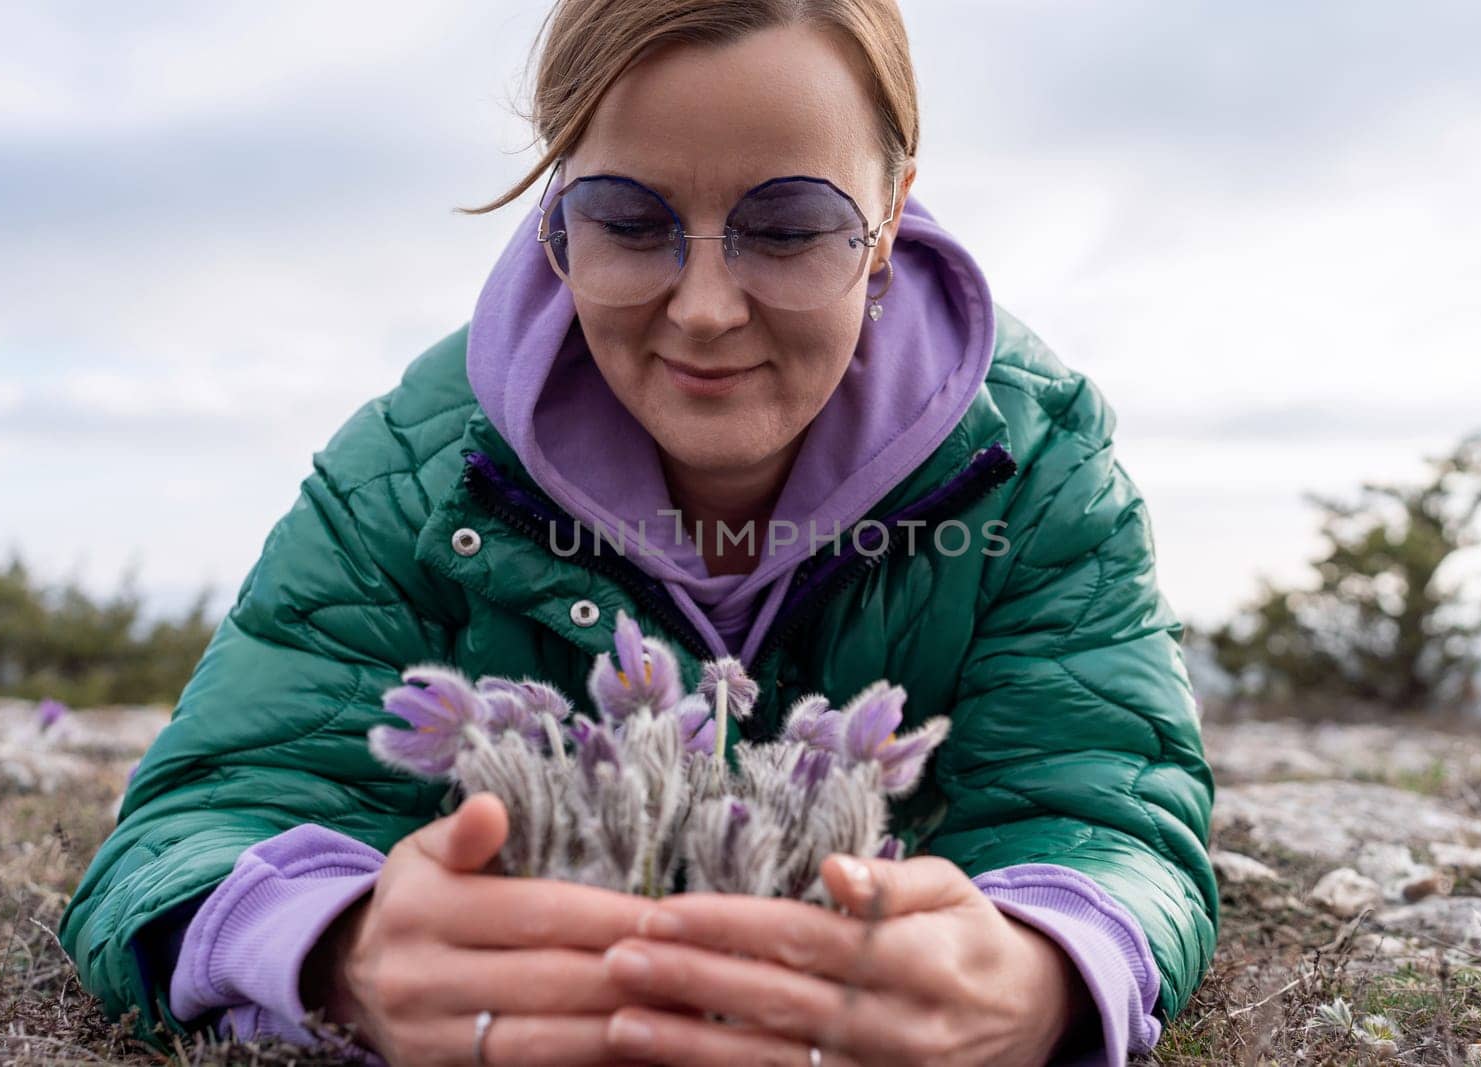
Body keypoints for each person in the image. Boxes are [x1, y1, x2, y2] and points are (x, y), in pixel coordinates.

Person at [59, 2, 1218, 1064]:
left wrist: (1039, 971)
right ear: (557, 225)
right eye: (628, 220)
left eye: (789, 226)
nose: (705, 309)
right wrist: (339, 952)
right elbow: (199, 821)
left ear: (887, 221)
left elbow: (1106, 813)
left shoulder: (1033, 467)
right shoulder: (412, 474)